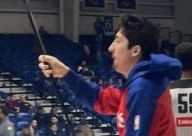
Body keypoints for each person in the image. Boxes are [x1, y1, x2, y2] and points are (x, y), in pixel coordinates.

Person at [39, 14, 181, 135]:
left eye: (118, 41)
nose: (110, 48)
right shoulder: (138, 85)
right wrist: (65, 73)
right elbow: (99, 98)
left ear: (135, 51)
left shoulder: (144, 88)